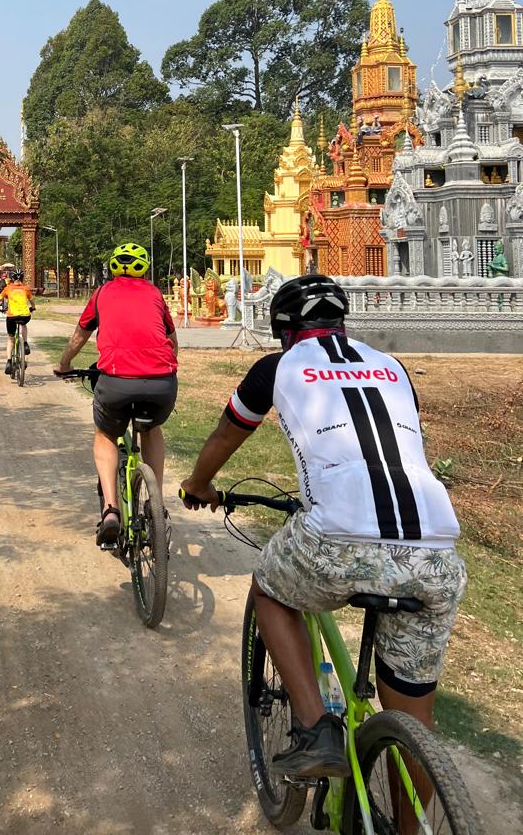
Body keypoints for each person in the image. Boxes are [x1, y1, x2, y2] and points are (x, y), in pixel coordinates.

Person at [179, 274, 465, 781]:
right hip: (435, 551)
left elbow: (226, 434)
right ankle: (413, 791)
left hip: (338, 539)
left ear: (283, 331)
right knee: (412, 723)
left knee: (269, 590)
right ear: (343, 324)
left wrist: (198, 484)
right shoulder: (392, 366)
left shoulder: (277, 366)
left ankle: (316, 729)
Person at [53, 243, 178, 547]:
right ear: (144, 268)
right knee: (151, 429)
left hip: (116, 382)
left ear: (111, 267)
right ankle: (156, 504)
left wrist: (64, 364)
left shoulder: (102, 293)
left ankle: (110, 511)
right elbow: (172, 341)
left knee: (106, 434)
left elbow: (79, 336)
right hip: (162, 383)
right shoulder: (155, 294)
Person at [0, 270, 34, 374]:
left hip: (11, 316)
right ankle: (25, 343)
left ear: (12, 278)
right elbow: (32, 301)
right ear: (22, 278)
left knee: (11, 338)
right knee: (24, 325)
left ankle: (8, 362)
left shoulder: (8, 288)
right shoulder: (26, 288)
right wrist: (33, 308)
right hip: (25, 316)